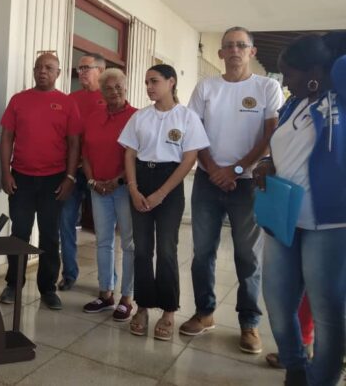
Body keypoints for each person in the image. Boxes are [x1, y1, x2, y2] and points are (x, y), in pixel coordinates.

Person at [182, 26, 284, 354]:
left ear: (252, 52)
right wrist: (214, 170)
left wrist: (237, 169)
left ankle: (249, 323)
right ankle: (205, 312)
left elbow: (270, 136)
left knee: (248, 256)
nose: (235, 50)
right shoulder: (207, 87)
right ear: (220, 53)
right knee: (202, 253)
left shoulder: (267, 87)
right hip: (207, 182)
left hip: (248, 183)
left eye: (242, 45)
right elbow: (193, 131)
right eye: (229, 46)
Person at [253, 32, 346, 386]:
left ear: (315, 72)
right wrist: (267, 162)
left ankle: (320, 380)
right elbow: (284, 148)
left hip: (329, 222)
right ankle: (295, 365)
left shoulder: (340, 98)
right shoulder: (294, 103)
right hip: (284, 215)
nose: (284, 82)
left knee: (327, 311)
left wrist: (332, 46)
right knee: (276, 300)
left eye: (288, 74)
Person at [118, 64, 209, 340]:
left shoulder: (187, 117)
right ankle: (143, 307)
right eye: (146, 82)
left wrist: (162, 193)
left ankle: (169, 311)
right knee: (142, 249)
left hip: (170, 183)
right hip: (141, 179)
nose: (149, 87)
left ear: (171, 82)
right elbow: (130, 155)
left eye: (154, 81)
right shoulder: (140, 117)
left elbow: (189, 159)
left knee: (167, 249)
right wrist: (133, 189)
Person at [0, 53, 82, 310]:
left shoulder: (67, 104)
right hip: (21, 178)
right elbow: (6, 138)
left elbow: (74, 144)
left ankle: (47, 288)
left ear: (58, 74)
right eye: (39, 67)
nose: (42, 71)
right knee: (19, 233)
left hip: (54, 180)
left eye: (49, 68)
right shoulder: (18, 100)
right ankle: (14, 283)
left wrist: (70, 177)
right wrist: (5, 172)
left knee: (50, 236)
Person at [80, 68, 137, 320]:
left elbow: (138, 155)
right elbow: (86, 153)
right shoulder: (94, 116)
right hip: (98, 187)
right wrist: (92, 180)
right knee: (103, 241)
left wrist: (118, 180)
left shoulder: (136, 117)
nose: (113, 92)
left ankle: (127, 298)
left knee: (129, 243)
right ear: (100, 91)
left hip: (124, 188)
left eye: (118, 87)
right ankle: (105, 293)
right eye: (108, 88)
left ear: (125, 88)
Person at [58, 53, 106, 291]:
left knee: (104, 227)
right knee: (66, 222)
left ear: (101, 70)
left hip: (99, 173)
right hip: (72, 171)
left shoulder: (108, 98)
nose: (82, 72)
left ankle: (107, 281)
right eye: (79, 68)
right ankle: (69, 274)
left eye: (87, 67)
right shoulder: (70, 99)